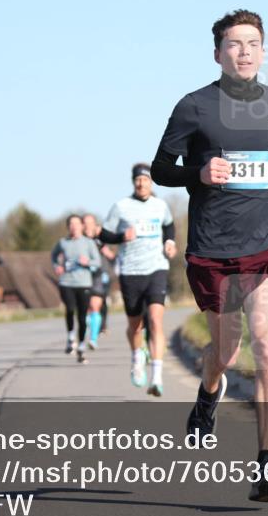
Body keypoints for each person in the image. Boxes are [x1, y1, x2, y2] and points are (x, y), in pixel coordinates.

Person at [151, 9, 268, 502]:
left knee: (267, 340)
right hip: (214, 247)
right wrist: (199, 174)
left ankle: (267, 460)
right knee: (226, 352)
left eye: (253, 43)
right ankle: (208, 393)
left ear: (264, 51)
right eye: (235, 44)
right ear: (218, 52)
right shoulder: (194, 106)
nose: (244, 51)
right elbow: (161, 168)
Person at [100, 164, 177, 396]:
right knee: (135, 325)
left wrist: (170, 242)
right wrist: (121, 236)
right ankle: (137, 356)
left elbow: (169, 225)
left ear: (151, 182)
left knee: (155, 319)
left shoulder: (160, 205)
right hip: (130, 271)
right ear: (133, 182)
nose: (141, 183)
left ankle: (156, 376)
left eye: (145, 180)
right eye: (138, 180)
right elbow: (103, 234)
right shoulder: (121, 207)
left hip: (156, 268)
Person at [51, 214, 102, 364]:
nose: (74, 227)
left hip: (84, 283)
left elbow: (97, 262)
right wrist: (57, 266)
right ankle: (71, 337)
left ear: (81, 226)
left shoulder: (88, 243)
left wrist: (87, 262)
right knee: (70, 309)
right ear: (68, 227)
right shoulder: (63, 242)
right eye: (71, 224)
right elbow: (53, 256)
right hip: (66, 282)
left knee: (82, 316)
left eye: (76, 224)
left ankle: (81, 347)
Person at [82, 213, 116, 350]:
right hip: (82, 276)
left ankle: (94, 338)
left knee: (97, 305)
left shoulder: (101, 239)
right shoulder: (79, 240)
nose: (87, 225)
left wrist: (107, 252)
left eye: (90, 223)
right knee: (86, 308)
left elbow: (111, 255)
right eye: (85, 223)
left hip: (99, 275)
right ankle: (89, 330)